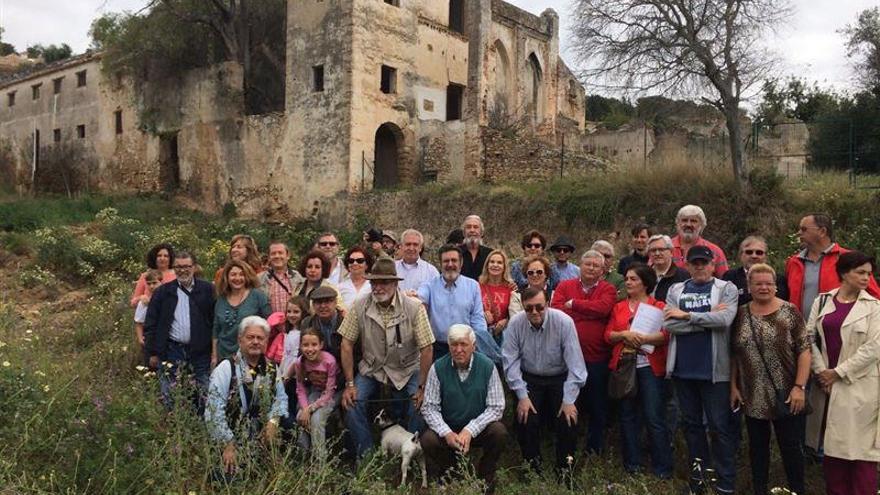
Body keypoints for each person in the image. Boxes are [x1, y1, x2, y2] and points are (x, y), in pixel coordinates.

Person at [339, 256, 435, 458]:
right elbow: (346, 344)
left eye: (384, 282)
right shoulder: (360, 305)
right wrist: (349, 384)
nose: (378, 287)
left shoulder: (414, 307)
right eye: (374, 282)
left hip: (407, 368)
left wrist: (422, 387)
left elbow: (427, 348)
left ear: (395, 283)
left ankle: (410, 453)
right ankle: (366, 458)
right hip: (372, 368)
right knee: (351, 404)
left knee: (421, 404)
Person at [664, 245, 739, 495]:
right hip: (683, 372)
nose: (699, 267)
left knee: (719, 428)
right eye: (694, 263)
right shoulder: (677, 289)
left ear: (713, 264)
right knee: (692, 429)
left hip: (714, 373)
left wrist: (687, 316)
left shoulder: (725, 288)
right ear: (687, 265)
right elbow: (669, 325)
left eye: (704, 263)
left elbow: (724, 320)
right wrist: (705, 318)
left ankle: (725, 484)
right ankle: (699, 482)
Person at [729, 263, 809, 495]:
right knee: (757, 448)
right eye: (758, 283)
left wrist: (799, 387)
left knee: (791, 447)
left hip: (786, 393)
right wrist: (733, 386)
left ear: (776, 286)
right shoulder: (741, 313)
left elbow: (804, 350)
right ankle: (760, 489)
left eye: (768, 283)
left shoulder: (790, 311)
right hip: (752, 393)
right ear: (749, 286)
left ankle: (797, 489)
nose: (763, 287)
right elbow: (735, 352)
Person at [805, 251, 880, 495]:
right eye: (860, 272)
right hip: (826, 386)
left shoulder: (874, 307)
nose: (866, 278)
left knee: (861, 451)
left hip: (860, 386)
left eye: (869, 273)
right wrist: (821, 371)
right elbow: (809, 338)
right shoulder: (823, 301)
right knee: (833, 452)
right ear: (844, 273)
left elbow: (874, 347)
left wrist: (837, 372)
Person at [502, 287, 587, 472]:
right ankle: (532, 467)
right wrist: (522, 396)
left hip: (560, 377)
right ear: (523, 307)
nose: (534, 312)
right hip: (529, 377)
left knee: (568, 418)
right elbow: (510, 361)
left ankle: (565, 469)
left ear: (547, 304)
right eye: (529, 308)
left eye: (539, 307)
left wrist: (569, 400)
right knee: (526, 418)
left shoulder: (564, 322)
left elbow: (576, 365)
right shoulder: (516, 323)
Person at [604, 263, 672, 478]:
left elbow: (666, 336)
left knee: (654, 417)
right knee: (628, 416)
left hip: (650, 368)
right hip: (625, 366)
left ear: (645, 282)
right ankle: (632, 465)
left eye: (633, 279)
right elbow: (608, 335)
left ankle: (663, 468)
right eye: (627, 278)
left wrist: (642, 338)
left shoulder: (659, 306)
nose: (628, 282)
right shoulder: (619, 307)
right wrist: (625, 335)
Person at [420, 324, 507, 492]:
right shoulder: (437, 368)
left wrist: (469, 430)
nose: (458, 349)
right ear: (449, 346)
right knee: (428, 439)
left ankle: (485, 474)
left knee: (499, 431)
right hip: (450, 427)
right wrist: (447, 433)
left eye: (463, 344)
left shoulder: (488, 366)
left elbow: (496, 407)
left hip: (478, 428)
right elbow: (429, 407)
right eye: (454, 344)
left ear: (473, 346)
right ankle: (451, 471)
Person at [550, 250, 616, 454]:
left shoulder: (609, 289)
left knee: (597, 405)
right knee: (569, 402)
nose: (591, 268)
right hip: (567, 359)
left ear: (603, 270)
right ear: (581, 265)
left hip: (596, 357)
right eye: (588, 264)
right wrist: (588, 313)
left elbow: (604, 309)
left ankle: (594, 448)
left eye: (596, 266)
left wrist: (575, 305)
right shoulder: (565, 285)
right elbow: (557, 310)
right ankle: (567, 447)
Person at [205, 316, 287, 475]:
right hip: (230, 436)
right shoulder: (226, 368)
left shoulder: (271, 367)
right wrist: (227, 443)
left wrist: (273, 421)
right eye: (250, 337)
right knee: (228, 479)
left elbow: (281, 398)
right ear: (240, 340)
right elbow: (213, 411)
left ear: (266, 342)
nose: (255, 342)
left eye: (260, 338)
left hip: (259, 436)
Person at [144, 251, 215, 411]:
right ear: (174, 268)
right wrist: (152, 352)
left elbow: (214, 321)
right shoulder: (163, 292)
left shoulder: (207, 290)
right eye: (178, 267)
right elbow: (151, 324)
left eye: (187, 266)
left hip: (200, 352)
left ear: (194, 267)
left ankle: (203, 426)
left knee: (204, 391)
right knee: (169, 393)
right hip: (171, 350)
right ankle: (174, 427)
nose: (183, 270)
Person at [785, 212, 880, 318]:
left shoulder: (849, 258)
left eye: (804, 229)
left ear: (822, 231)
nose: (799, 233)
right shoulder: (794, 262)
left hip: (840, 330)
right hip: (801, 330)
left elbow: (875, 296)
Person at [418, 244, 501, 363]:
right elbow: (419, 298)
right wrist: (412, 296)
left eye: (454, 260)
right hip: (438, 349)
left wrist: (477, 343)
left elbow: (477, 317)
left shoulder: (473, 285)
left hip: (465, 348)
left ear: (461, 263)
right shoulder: (429, 286)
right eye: (446, 261)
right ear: (440, 264)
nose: (450, 264)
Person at [212, 259, 271, 364]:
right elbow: (216, 330)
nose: (237, 278)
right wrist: (214, 357)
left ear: (247, 276)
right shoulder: (221, 299)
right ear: (227, 277)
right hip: (223, 355)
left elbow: (269, 325)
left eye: (241, 274)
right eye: (233, 274)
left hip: (251, 355)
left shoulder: (257, 296)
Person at [294, 328, 339, 459]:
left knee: (317, 419)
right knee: (300, 416)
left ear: (321, 345)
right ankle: (303, 453)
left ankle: (320, 461)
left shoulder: (329, 361)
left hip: (334, 392)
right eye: (305, 345)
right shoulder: (299, 363)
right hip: (316, 391)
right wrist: (304, 409)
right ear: (301, 346)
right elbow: (300, 388)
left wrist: (310, 408)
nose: (310, 349)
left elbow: (330, 391)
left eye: (314, 345)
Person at [723, 235, 789, 306]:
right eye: (749, 252)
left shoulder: (778, 279)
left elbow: (781, 303)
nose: (754, 256)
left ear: (766, 256)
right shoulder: (730, 277)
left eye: (759, 252)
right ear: (741, 255)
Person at [670, 205, 728, 278]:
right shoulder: (665, 248)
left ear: (701, 225)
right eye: (684, 220)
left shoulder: (715, 251)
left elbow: (725, 281)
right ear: (678, 223)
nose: (688, 224)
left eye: (693, 221)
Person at [258, 240, 305, 315]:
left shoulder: (300, 278)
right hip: (268, 324)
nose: (277, 256)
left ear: (288, 256)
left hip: (293, 323)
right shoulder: (259, 279)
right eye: (273, 253)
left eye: (280, 253)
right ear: (269, 257)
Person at [479, 250, 514, 344]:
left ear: (504, 267)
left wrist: (506, 321)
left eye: (499, 262)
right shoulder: (478, 286)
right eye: (492, 262)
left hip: (503, 333)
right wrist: (482, 315)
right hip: (483, 333)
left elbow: (515, 313)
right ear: (487, 265)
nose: (495, 265)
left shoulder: (510, 288)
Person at [130, 243, 176, 307]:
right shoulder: (145, 276)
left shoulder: (177, 276)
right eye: (159, 256)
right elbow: (133, 303)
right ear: (154, 257)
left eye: (166, 256)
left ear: (170, 258)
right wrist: (141, 298)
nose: (162, 258)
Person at [647, 234, 690, 303]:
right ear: (649, 254)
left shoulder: (684, 277)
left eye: (661, 249)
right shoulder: (643, 274)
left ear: (671, 252)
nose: (657, 253)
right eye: (653, 250)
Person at [395, 229, 439, 293]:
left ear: (420, 248)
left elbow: (436, 296)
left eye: (415, 245)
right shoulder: (392, 268)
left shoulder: (431, 271)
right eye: (408, 244)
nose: (411, 248)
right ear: (401, 246)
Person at [134, 269, 163, 357]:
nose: (151, 286)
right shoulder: (144, 302)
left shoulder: (168, 298)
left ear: (161, 282)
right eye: (149, 284)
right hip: (150, 339)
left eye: (154, 283)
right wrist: (140, 339)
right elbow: (139, 322)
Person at [459, 215, 493, 281]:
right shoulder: (455, 252)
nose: (472, 230)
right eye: (468, 227)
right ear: (463, 232)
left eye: (475, 227)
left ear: (481, 232)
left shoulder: (490, 254)